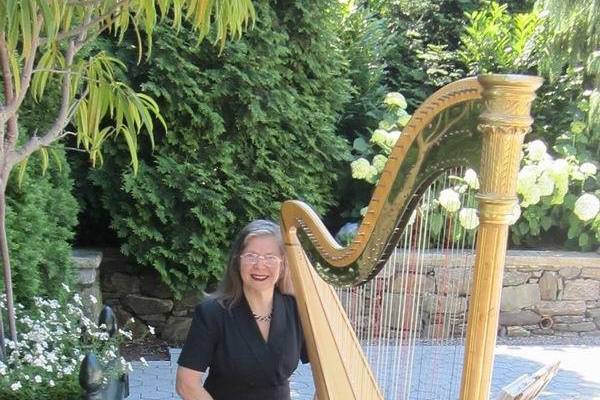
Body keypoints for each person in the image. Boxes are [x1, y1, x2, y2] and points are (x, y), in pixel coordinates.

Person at [175, 219, 309, 400]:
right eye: (251, 256)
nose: (260, 265)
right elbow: (186, 384)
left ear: (282, 263)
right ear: (238, 261)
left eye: (270, 257)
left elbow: (326, 368)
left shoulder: (296, 310)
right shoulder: (212, 313)